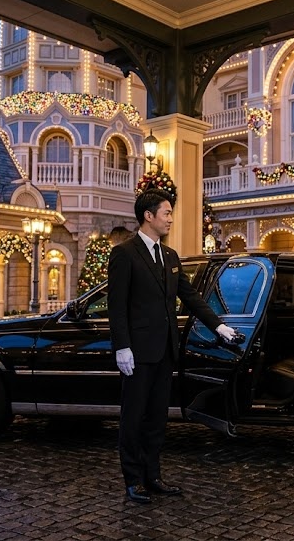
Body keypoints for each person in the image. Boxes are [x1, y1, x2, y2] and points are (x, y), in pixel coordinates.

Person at [108, 189, 239, 504]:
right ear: (148, 216)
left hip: (166, 351)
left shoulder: (170, 256)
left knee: (156, 418)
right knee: (133, 417)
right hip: (137, 352)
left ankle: (153, 476)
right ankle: (133, 480)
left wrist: (219, 326)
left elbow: (191, 297)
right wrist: (122, 347)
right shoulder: (124, 253)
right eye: (166, 213)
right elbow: (117, 306)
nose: (170, 218)